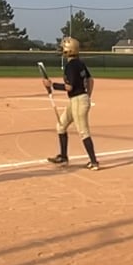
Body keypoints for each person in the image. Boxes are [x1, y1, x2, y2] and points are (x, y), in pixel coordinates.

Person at [43, 36, 100, 170]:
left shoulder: (71, 66)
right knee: (61, 126)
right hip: (78, 99)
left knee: (83, 131)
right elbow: (91, 80)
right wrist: (88, 96)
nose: (62, 50)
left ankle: (94, 162)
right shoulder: (80, 63)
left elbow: (69, 87)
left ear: (69, 50)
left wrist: (52, 85)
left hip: (78, 100)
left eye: (64, 48)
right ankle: (63, 157)